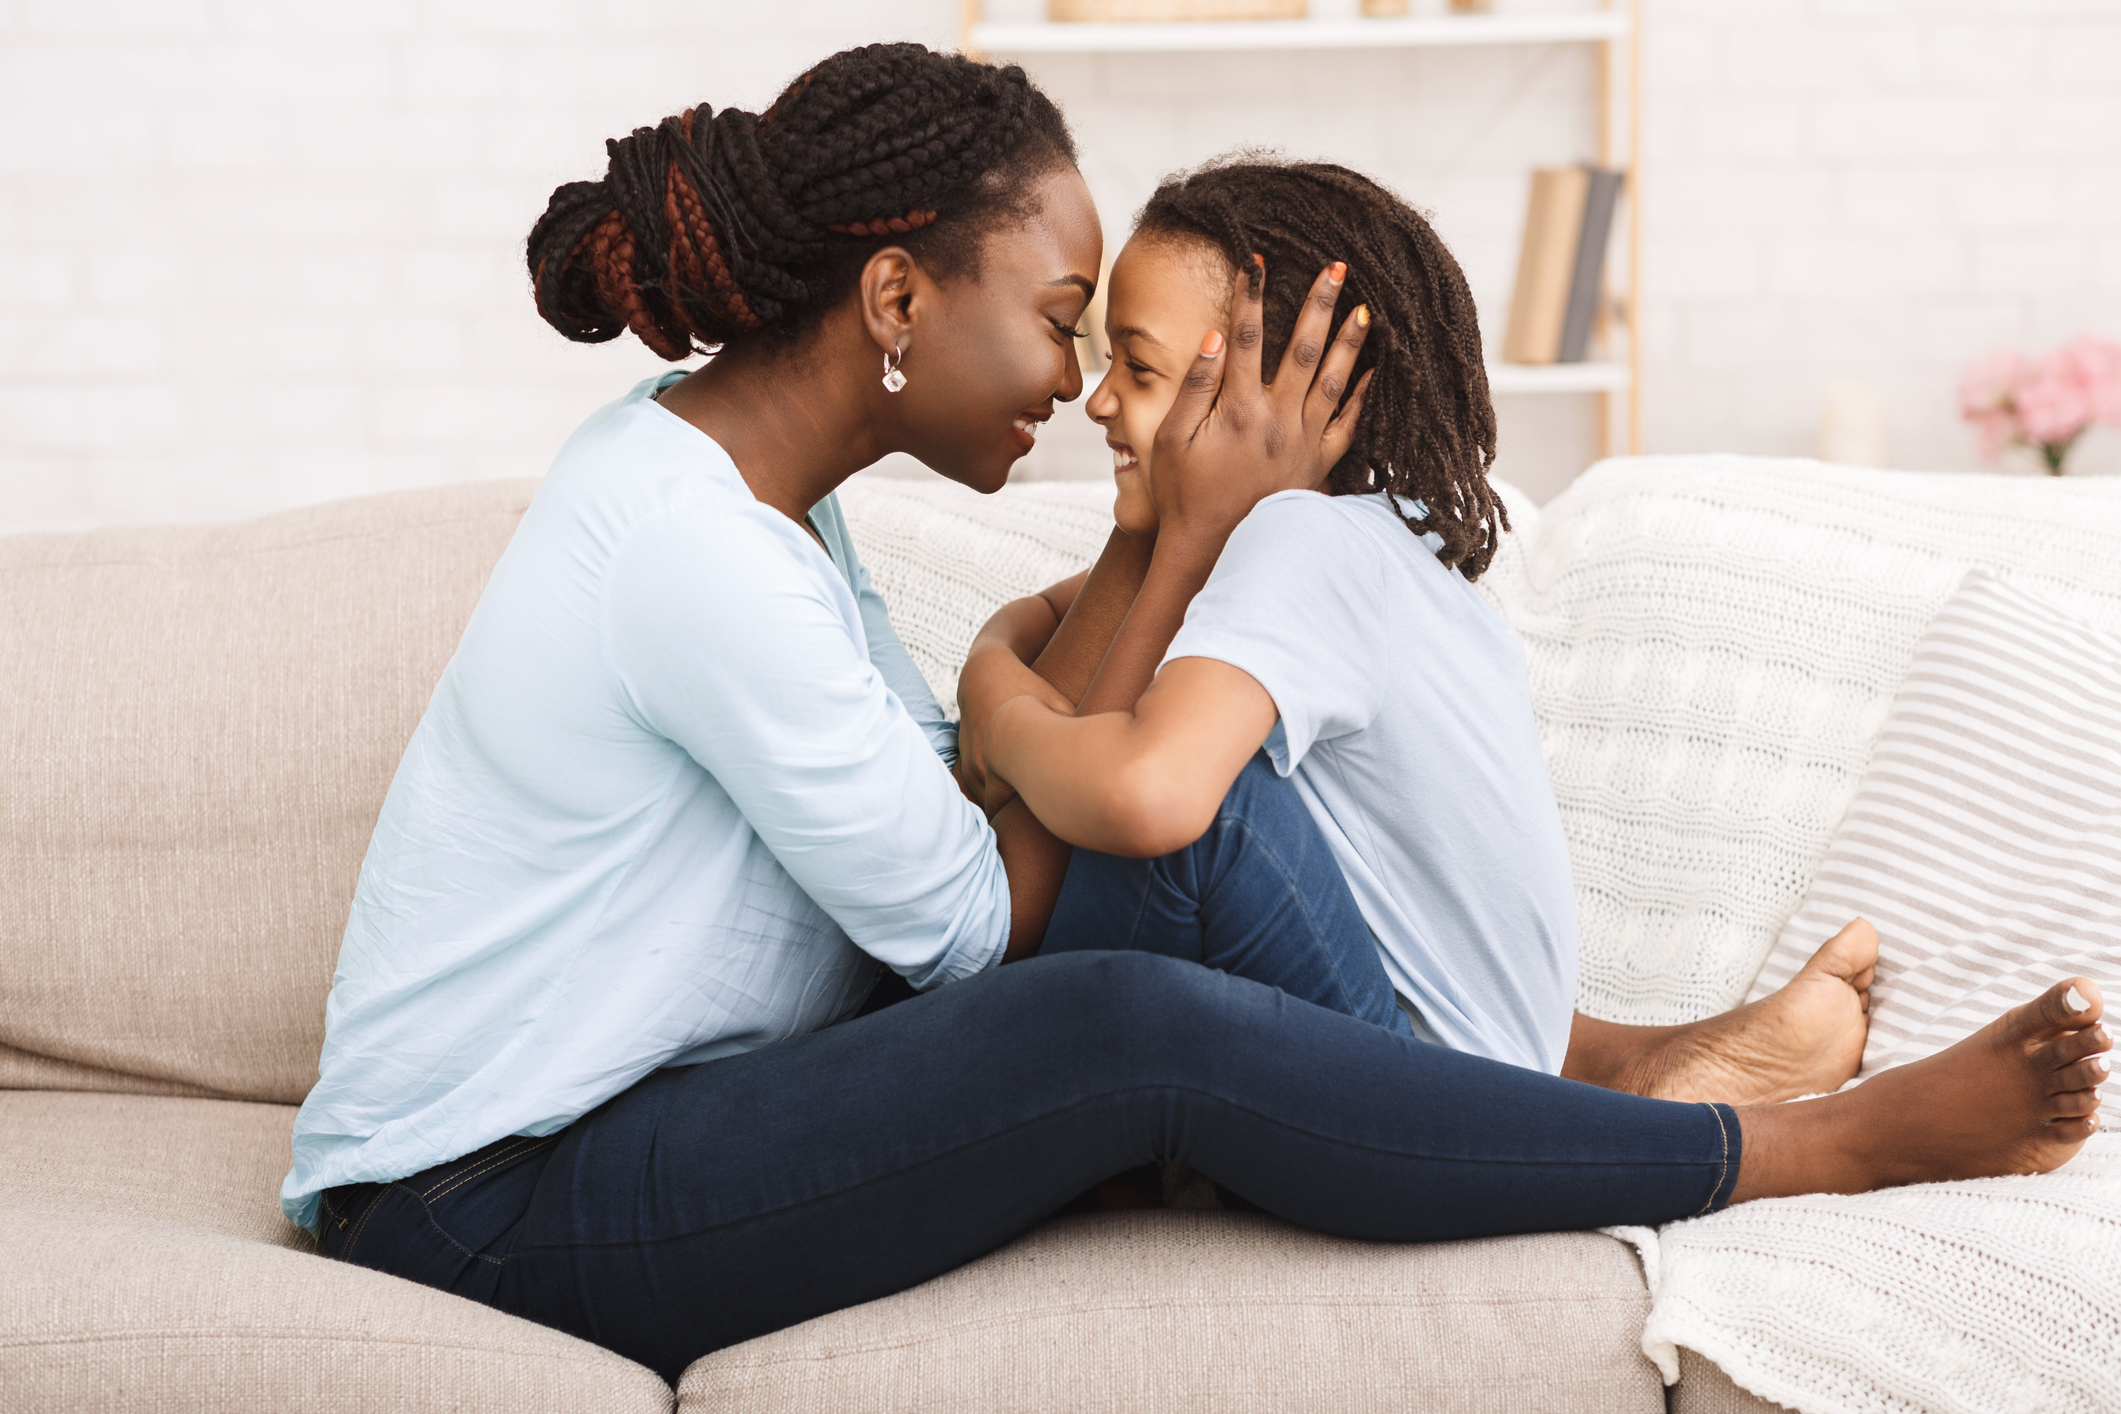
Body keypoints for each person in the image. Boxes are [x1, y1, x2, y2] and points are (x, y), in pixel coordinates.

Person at [285, 44, 2108, 1387]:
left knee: (1190, 851)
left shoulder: (758, 503)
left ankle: (1567, 1075)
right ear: (899, 299)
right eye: (1063, 317)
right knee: (1130, 1010)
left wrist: (1150, 545)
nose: (1077, 380)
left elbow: (977, 812)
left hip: (645, 1115)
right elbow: (960, 919)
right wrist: (1162, 542)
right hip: (491, 1203)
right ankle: (1796, 1148)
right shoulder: (688, 549)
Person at [953, 156, 1885, 1109]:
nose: (1097, 400)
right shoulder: (1384, 544)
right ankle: (1634, 1066)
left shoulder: (1303, 546)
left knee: (1196, 802)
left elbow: (1144, 796)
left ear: (1276, 392)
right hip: (1470, 1048)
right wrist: (1001, 662)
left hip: (1425, 1097)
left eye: (1137, 367)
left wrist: (1001, 712)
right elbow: (1044, 621)